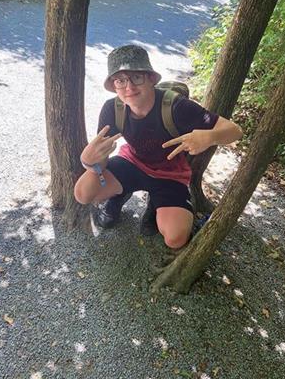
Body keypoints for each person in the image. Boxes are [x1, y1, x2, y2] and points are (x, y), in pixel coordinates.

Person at [74, 45, 242, 250]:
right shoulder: (113, 108)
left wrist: (209, 136)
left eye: (137, 77)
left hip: (169, 174)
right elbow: (100, 160)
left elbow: (234, 131)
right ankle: (118, 195)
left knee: (175, 238)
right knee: (82, 192)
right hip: (131, 163)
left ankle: (156, 204)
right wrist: (89, 163)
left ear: (151, 78)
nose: (129, 87)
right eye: (120, 80)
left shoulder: (177, 107)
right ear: (114, 86)